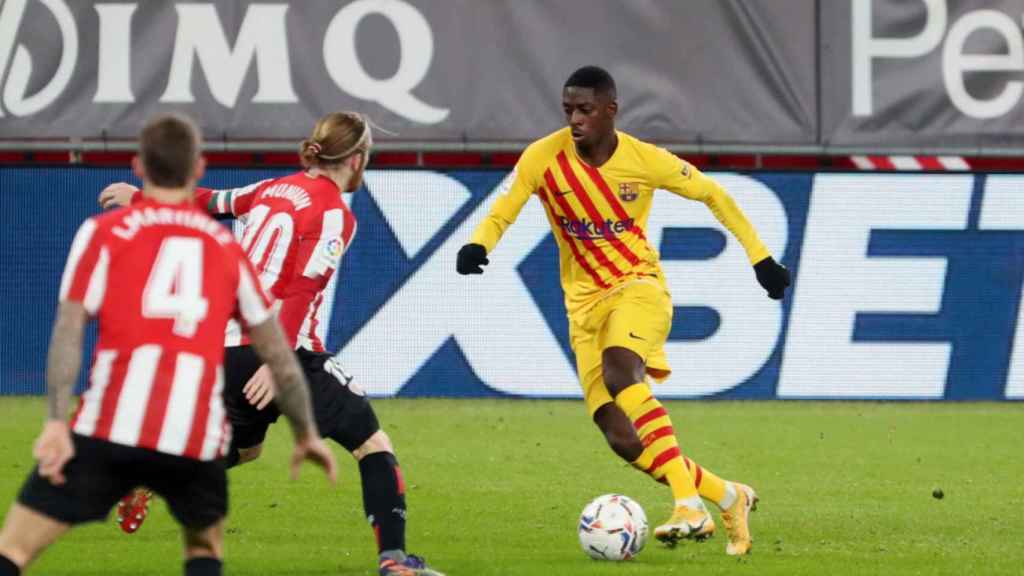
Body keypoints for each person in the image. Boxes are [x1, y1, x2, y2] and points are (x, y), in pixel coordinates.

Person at [456, 66, 790, 555]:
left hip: (638, 287)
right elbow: (504, 207)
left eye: (585, 109)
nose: (575, 119)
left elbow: (713, 195)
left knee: (621, 372)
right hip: (583, 308)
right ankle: (728, 495)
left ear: (611, 110)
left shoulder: (644, 160)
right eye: (568, 109)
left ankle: (687, 506)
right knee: (623, 438)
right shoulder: (543, 157)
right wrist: (478, 244)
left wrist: (760, 258)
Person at [99, 112, 444, 576]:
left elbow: (208, 201)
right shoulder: (333, 214)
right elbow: (302, 289)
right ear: (357, 159)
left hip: (226, 347)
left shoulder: (271, 189)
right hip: (283, 351)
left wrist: (141, 197)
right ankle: (395, 561)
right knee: (372, 445)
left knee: (246, 449)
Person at [0, 113, 337, 576]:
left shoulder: (104, 233)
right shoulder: (223, 247)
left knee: (14, 550)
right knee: (203, 550)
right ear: (198, 168)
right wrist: (305, 433)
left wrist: (57, 422)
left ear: (138, 167)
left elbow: (67, 333)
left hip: (108, 424)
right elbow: (277, 351)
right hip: (192, 436)